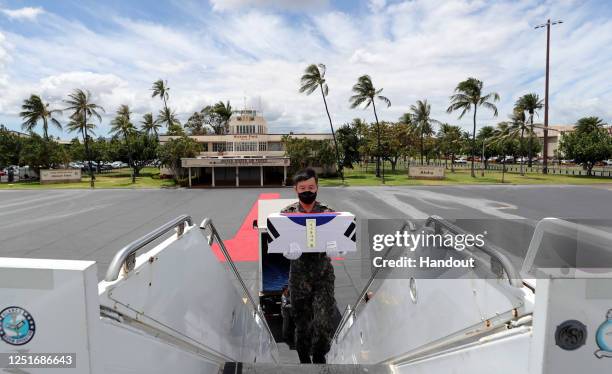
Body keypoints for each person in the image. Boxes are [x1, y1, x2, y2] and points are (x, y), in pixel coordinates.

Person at [281, 168, 337, 364]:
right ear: (295, 189)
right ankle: (304, 360)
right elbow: (280, 242)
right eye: (303, 187)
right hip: (298, 277)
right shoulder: (286, 214)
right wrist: (288, 250)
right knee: (302, 324)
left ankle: (320, 356)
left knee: (323, 321)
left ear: (317, 188)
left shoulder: (328, 212)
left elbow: (340, 238)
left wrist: (336, 248)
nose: (307, 191)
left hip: (323, 275)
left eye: (311, 187)